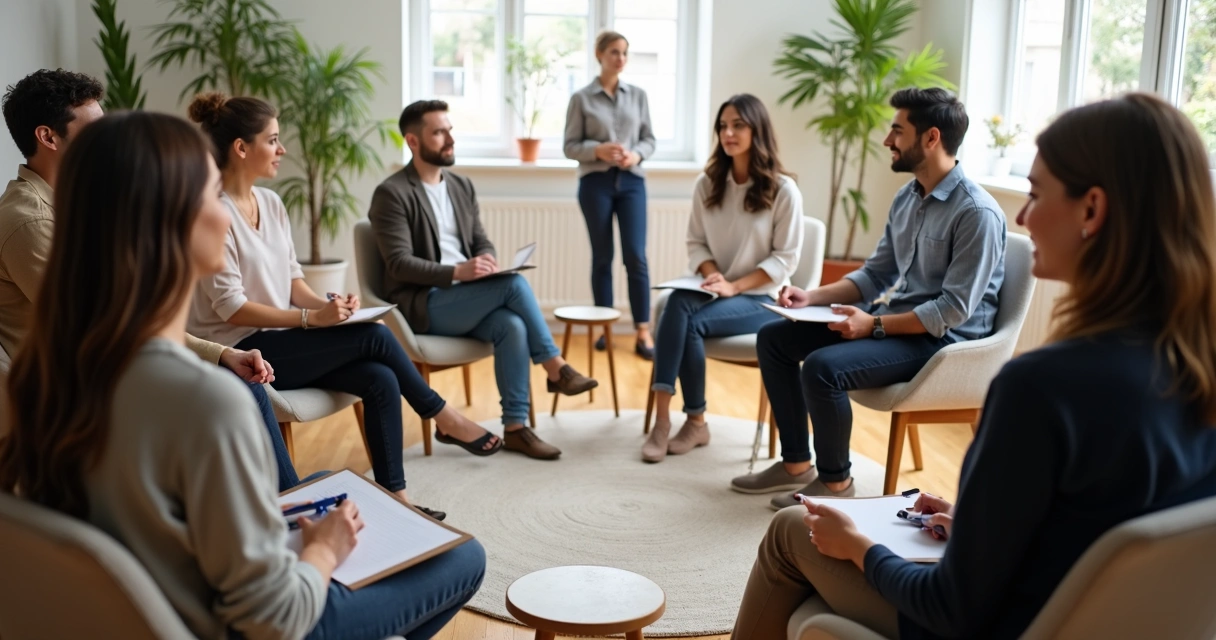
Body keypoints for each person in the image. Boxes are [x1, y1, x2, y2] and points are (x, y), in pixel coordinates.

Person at [731, 92, 1216, 640]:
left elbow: (948, 608)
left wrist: (860, 546)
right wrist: (973, 524)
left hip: (982, 625)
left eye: (1035, 194)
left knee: (791, 531)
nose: (1024, 217)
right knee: (784, 341)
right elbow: (1097, 531)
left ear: (1092, 210)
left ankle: (832, 483)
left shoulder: (1041, 390)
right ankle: (803, 465)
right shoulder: (1197, 368)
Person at [0, 110, 485, 640]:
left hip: (158, 606)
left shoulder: (43, 375)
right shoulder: (206, 402)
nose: (226, 215)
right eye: (212, 195)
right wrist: (322, 551)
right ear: (174, 221)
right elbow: (274, 621)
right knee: (463, 557)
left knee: (325, 483)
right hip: (247, 626)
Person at [186, 93, 495, 513]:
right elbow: (231, 308)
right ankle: (443, 416)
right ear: (242, 148)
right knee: (374, 336)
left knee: (379, 379)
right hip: (244, 348)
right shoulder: (212, 213)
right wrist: (313, 319)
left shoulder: (271, 203)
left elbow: (293, 278)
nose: (283, 150)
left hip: (285, 337)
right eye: (274, 140)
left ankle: (396, 498)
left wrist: (330, 308)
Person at [0, 70, 298, 488]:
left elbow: (128, 315)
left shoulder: (78, 206)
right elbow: (104, 326)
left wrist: (217, 354)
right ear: (49, 137)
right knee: (235, 394)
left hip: (114, 368)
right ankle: (289, 511)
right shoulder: (29, 220)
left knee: (239, 384)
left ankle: (288, 506)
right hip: (81, 394)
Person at [730, 88, 1006, 507]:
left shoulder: (977, 213)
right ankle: (794, 464)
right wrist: (812, 296)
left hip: (945, 343)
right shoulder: (907, 198)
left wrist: (872, 324)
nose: (887, 140)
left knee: (823, 368)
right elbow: (877, 274)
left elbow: (951, 310)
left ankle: (837, 484)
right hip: (898, 322)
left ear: (931, 138)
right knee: (775, 339)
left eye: (897, 130)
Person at [368, 100, 597, 460]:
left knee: (511, 326)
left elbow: (479, 239)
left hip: (467, 298)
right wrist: (458, 272)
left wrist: (486, 258)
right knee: (514, 286)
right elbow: (398, 264)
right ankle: (556, 368)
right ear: (413, 141)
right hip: (425, 304)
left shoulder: (461, 187)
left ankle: (516, 428)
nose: (449, 139)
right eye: (439, 132)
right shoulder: (392, 193)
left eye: (450, 130)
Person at [643, 94, 803, 463]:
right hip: (715, 289)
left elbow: (785, 258)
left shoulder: (783, 190)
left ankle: (694, 421)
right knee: (677, 302)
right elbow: (696, 243)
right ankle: (665, 420)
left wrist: (734, 286)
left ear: (756, 129)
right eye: (722, 126)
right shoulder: (708, 183)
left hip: (761, 298)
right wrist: (715, 277)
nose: (728, 133)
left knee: (686, 324)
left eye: (738, 125)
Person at [563, 30, 657, 359]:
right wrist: (597, 150)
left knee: (636, 256)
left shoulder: (639, 95)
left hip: (632, 182)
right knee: (602, 257)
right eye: (615, 52)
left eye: (625, 53)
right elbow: (569, 146)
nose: (620, 58)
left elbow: (649, 139)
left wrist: (637, 155)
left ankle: (643, 331)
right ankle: (603, 326)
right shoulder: (581, 98)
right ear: (599, 54)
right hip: (595, 184)